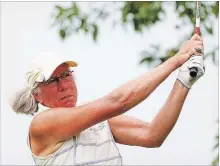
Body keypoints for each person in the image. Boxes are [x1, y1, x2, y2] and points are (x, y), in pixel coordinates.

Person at [9, 34, 205, 166]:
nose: (63, 85)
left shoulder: (96, 121)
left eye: (66, 75)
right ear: (37, 96)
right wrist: (178, 58)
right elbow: (119, 101)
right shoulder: (42, 124)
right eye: (52, 80)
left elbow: (152, 135)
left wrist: (184, 80)